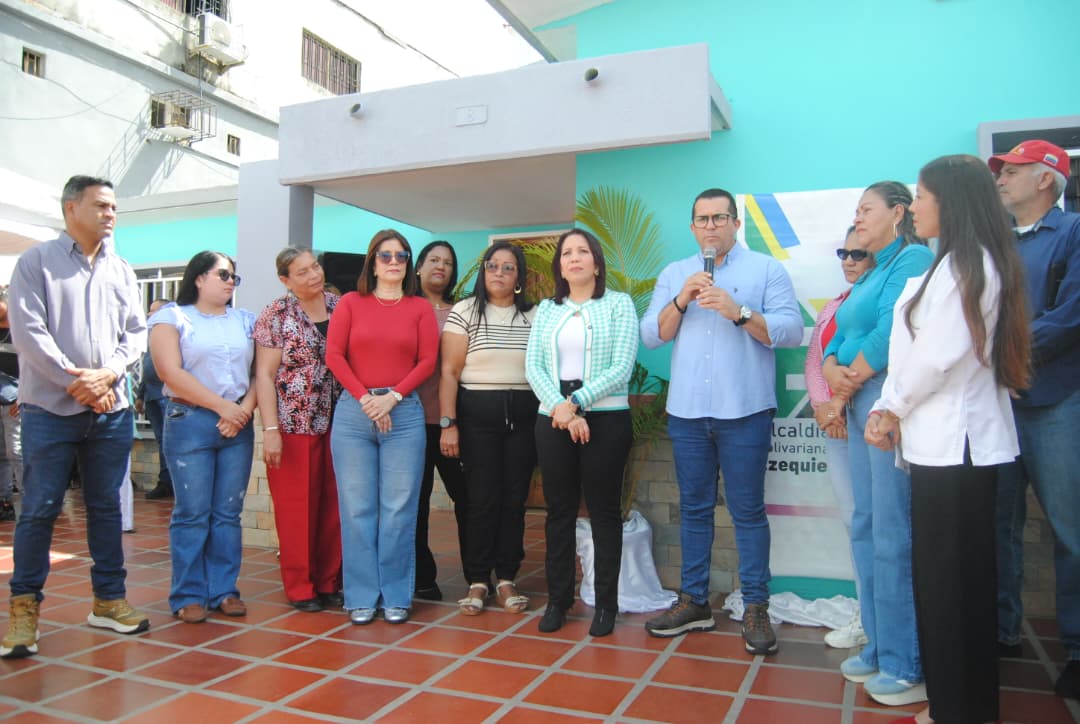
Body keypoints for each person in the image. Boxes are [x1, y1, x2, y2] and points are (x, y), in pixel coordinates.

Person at [867, 154, 1031, 724]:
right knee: (945, 582)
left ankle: (961, 709)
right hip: (939, 445)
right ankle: (957, 704)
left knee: (952, 584)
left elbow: (936, 357)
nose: (914, 207)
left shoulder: (971, 266)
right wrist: (892, 406)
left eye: (921, 196)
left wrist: (889, 408)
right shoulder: (952, 264)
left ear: (951, 202)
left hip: (958, 447)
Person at [640, 188, 802, 654]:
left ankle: (755, 606)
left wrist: (740, 312)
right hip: (688, 412)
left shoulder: (766, 270)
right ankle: (694, 601)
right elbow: (651, 335)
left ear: (735, 223)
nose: (710, 226)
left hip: (745, 412)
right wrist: (680, 300)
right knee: (694, 509)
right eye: (702, 219)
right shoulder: (675, 273)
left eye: (719, 217)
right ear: (692, 227)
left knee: (747, 512)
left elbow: (791, 330)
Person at [1, 175, 149, 659]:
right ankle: (24, 612)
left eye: (114, 207)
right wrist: (77, 382)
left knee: (106, 507)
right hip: (49, 409)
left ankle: (108, 600)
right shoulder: (36, 262)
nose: (111, 214)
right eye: (101, 205)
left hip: (111, 410)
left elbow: (136, 334)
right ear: (71, 208)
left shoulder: (122, 270)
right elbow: (29, 333)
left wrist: (107, 375)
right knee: (40, 507)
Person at [823, 181, 933, 705]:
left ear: (898, 213)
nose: (858, 218)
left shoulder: (911, 259)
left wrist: (845, 383)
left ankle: (904, 661)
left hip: (882, 400)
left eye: (867, 210)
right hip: (856, 396)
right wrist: (832, 368)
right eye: (856, 211)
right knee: (866, 525)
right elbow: (838, 337)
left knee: (892, 531)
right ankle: (877, 643)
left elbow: (892, 333)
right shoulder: (870, 271)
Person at [990, 139, 1080, 700]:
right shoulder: (996, 241)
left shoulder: (1073, 233)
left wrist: (1004, 352)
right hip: (998, 406)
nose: (1000, 179)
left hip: (1055, 402)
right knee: (998, 525)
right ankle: (1002, 631)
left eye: (1012, 171)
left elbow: (1071, 315)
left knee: (1070, 529)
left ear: (1047, 178)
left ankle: (1078, 648)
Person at [526, 229, 637, 637]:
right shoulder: (547, 309)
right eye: (566, 253)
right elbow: (533, 366)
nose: (574, 258)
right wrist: (561, 407)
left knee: (604, 512)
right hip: (553, 418)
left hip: (606, 418)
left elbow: (621, 366)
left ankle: (606, 604)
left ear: (596, 262)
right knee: (559, 512)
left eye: (582, 252)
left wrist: (576, 402)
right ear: (560, 265)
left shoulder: (619, 304)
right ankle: (558, 600)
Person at [326, 229, 437, 625]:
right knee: (357, 509)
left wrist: (391, 398)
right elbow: (334, 355)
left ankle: (395, 594)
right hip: (355, 414)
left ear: (408, 264)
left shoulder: (419, 308)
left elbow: (428, 361)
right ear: (372, 263)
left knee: (398, 509)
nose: (393, 262)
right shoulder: (350, 303)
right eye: (385, 255)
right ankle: (360, 595)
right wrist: (367, 400)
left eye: (401, 256)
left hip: (403, 415)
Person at [150, 251, 257, 624]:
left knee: (228, 513)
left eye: (233, 277)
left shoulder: (245, 321)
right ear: (198, 278)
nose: (230, 282)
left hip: (237, 424)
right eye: (223, 274)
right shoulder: (172, 318)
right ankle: (188, 594)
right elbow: (170, 373)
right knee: (192, 512)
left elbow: (261, 372)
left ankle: (224, 590)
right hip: (190, 420)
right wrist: (222, 408)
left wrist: (242, 410)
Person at [440, 242, 537, 617]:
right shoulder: (465, 310)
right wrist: (449, 424)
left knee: (514, 500)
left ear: (519, 277)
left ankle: (507, 578)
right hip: (476, 413)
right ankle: (478, 579)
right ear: (483, 272)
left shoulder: (534, 315)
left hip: (524, 415)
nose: (499, 272)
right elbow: (449, 372)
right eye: (492, 266)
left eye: (508, 267)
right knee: (480, 500)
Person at [254, 248, 343, 613]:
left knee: (334, 505)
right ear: (285, 280)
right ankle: (301, 585)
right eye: (302, 272)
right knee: (297, 508)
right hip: (294, 423)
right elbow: (264, 375)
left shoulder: (341, 306)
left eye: (315, 266)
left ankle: (329, 581)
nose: (313, 275)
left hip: (340, 420)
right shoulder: (277, 313)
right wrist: (270, 429)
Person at [805, 226, 874, 649]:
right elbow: (816, 361)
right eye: (843, 253)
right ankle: (867, 615)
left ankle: (889, 619)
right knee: (854, 520)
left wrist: (840, 404)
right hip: (836, 428)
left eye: (858, 254)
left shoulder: (884, 301)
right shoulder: (834, 306)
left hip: (873, 425)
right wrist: (824, 408)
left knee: (881, 523)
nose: (848, 260)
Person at [412, 241, 468, 601]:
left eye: (448, 262)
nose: (440, 267)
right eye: (433, 260)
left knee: (468, 500)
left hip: (453, 423)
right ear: (418, 266)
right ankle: (421, 577)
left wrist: (453, 421)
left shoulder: (463, 311)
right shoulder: (404, 307)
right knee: (415, 506)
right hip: (410, 423)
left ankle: (478, 574)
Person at [136, 298, 173, 499]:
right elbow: (147, 366)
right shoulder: (152, 334)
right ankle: (165, 481)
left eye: (154, 311)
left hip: (166, 395)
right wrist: (141, 395)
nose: (149, 315)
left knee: (169, 441)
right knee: (161, 440)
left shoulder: (174, 333)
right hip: (151, 395)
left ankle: (169, 483)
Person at [0, 286, 22, 522]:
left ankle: (30, 503)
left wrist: (23, 396)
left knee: (16, 452)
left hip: (15, 401)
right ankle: (4, 502)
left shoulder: (20, 331)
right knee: (1, 454)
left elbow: (33, 366)